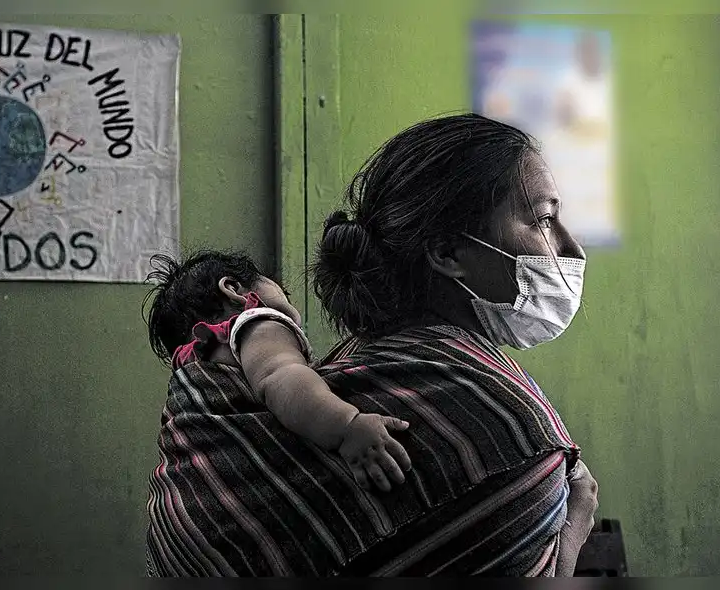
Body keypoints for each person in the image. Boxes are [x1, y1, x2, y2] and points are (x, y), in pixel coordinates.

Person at [145, 113, 598, 577]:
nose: (572, 248)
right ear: (447, 254)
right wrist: (575, 527)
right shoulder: (506, 428)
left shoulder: (347, 364)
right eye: (543, 219)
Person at [144, 250, 413, 491]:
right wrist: (347, 428)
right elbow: (280, 377)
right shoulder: (256, 321)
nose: (287, 299)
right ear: (233, 290)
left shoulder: (197, 359)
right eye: (282, 289)